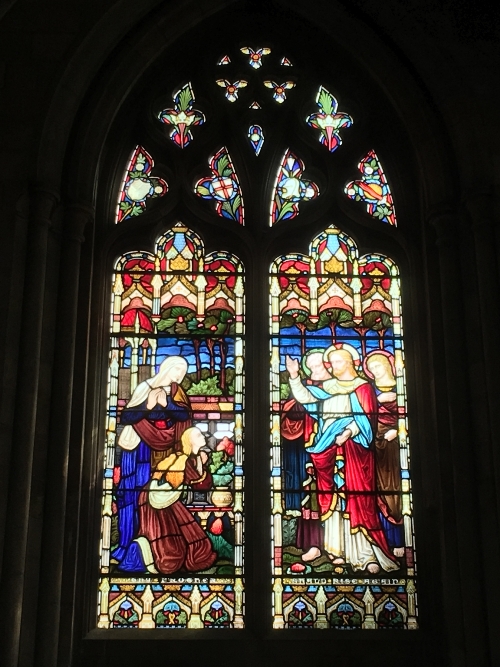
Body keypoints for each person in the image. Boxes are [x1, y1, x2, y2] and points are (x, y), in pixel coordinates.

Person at [286, 346, 398, 574]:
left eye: (337, 362)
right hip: (328, 449)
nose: (332, 367)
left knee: (358, 501)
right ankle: (338, 551)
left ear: (350, 362)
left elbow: (368, 420)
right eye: (331, 363)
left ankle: (365, 555)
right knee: (336, 502)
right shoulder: (328, 387)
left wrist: (348, 432)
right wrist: (295, 376)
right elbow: (307, 398)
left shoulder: (363, 388)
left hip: (355, 452)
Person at [113, 356, 192, 567]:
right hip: (138, 450)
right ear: (167, 368)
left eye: (183, 373)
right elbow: (127, 417)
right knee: (132, 495)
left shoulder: (176, 393)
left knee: (149, 498)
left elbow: (185, 415)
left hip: (162, 454)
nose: (179, 377)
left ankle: (150, 543)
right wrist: (148, 405)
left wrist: (167, 403)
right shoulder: (144, 387)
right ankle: (126, 544)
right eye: (177, 372)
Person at [129, 426, 217, 574]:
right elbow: (198, 484)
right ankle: (152, 556)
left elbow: (200, 484)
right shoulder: (182, 459)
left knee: (194, 539)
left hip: (168, 498)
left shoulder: (193, 458)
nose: (203, 436)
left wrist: (202, 464)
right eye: (198, 435)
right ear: (189, 441)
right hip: (159, 499)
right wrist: (201, 465)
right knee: (172, 543)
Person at [281, 350, 330, 562]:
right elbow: (298, 408)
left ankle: (336, 548)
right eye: (309, 367)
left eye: (317, 366)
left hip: (337, 452)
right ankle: (313, 544)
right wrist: (294, 376)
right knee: (311, 497)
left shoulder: (344, 390)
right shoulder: (310, 390)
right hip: (315, 450)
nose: (313, 371)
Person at [366, 352, 404, 557]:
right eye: (371, 369)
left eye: (378, 366)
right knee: (379, 492)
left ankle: (399, 540)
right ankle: (386, 542)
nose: (375, 371)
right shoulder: (370, 391)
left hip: (395, 448)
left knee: (396, 491)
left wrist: (398, 430)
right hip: (376, 446)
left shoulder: (403, 388)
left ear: (388, 365)